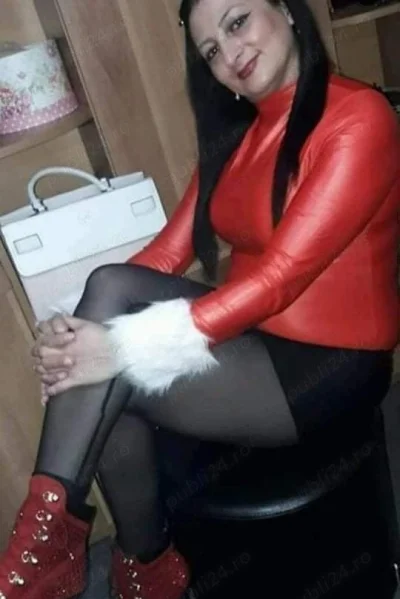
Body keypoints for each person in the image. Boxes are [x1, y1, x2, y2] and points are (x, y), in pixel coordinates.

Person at [1, 0, 399, 597]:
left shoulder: (359, 118)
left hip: (333, 363)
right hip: (254, 332)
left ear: (288, 11)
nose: (230, 53)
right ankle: (110, 558)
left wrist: (120, 348)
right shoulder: (236, 136)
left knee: (110, 376)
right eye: (211, 50)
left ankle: (96, 561)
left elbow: (282, 277)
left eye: (238, 22)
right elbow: (167, 252)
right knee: (109, 292)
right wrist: (76, 333)